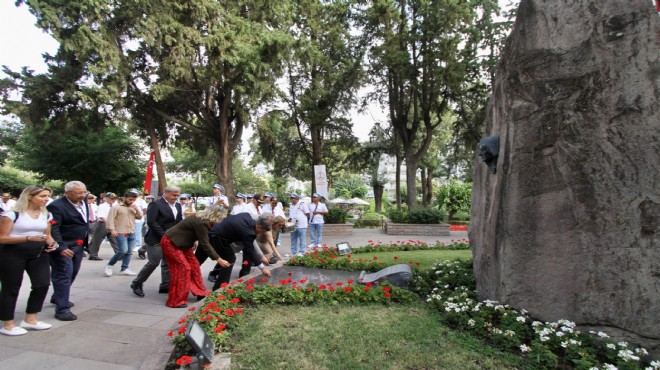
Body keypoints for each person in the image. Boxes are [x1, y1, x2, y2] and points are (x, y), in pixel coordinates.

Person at [0, 185, 58, 336]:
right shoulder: (12, 214)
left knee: (42, 284)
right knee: (11, 288)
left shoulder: (46, 214)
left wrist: (52, 244)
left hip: (38, 253)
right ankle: (8, 324)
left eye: (47, 196)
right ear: (29, 196)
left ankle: (30, 319)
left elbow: (47, 234)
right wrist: (28, 238)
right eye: (42, 196)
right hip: (12, 254)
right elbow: (2, 238)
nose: (46, 199)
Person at [160, 205, 229, 308]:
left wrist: (194, 240)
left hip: (182, 244)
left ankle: (200, 292)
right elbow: (205, 243)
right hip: (171, 242)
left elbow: (193, 232)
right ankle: (175, 300)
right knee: (184, 268)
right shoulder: (202, 222)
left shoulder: (202, 218)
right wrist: (218, 259)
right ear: (216, 215)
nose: (222, 219)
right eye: (222, 217)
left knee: (194, 265)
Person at [47, 181, 91, 321]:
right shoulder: (56, 206)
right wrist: (60, 247)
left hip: (77, 245)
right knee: (63, 275)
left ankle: (58, 296)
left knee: (73, 272)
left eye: (84, 192)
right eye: (79, 193)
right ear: (67, 193)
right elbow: (53, 229)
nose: (82, 195)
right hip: (63, 246)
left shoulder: (83, 202)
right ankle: (62, 309)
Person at [130, 186, 182, 297]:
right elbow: (152, 222)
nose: (176, 197)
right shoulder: (156, 204)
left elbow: (178, 222)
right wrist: (164, 236)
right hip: (155, 239)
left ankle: (165, 285)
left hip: (171, 239)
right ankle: (137, 283)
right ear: (166, 193)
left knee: (168, 262)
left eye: (178, 195)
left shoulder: (177, 205)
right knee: (153, 262)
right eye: (174, 195)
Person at [198, 212, 272, 289]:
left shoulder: (247, 215)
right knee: (230, 259)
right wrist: (262, 268)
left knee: (197, 261)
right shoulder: (248, 232)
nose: (260, 234)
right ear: (259, 227)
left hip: (208, 234)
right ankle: (219, 288)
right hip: (217, 238)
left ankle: (186, 278)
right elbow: (251, 250)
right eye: (262, 232)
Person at [104, 191, 142, 277]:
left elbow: (139, 217)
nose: (132, 201)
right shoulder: (116, 207)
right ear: (124, 198)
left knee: (129, 252)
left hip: (132, 231)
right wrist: (112, 230)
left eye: (134, 200)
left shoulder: (132, 207)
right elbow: (110, 219)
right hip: (121, 231)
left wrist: (136, 209)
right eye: (130, 199)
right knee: (122, 250)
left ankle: (125, 268)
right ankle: (110, 265)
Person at [88, 192, 119, 260]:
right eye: (111, 199)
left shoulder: (116, 205)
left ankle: (118, 254)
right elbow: (102, 217)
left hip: (113, 224)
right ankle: (93, 255)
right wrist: (110, 225)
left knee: (114, 239)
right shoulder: (102, 206)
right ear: (106, 198)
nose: (113, 200)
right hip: (103, 224)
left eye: (114, 199)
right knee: (97, 239)